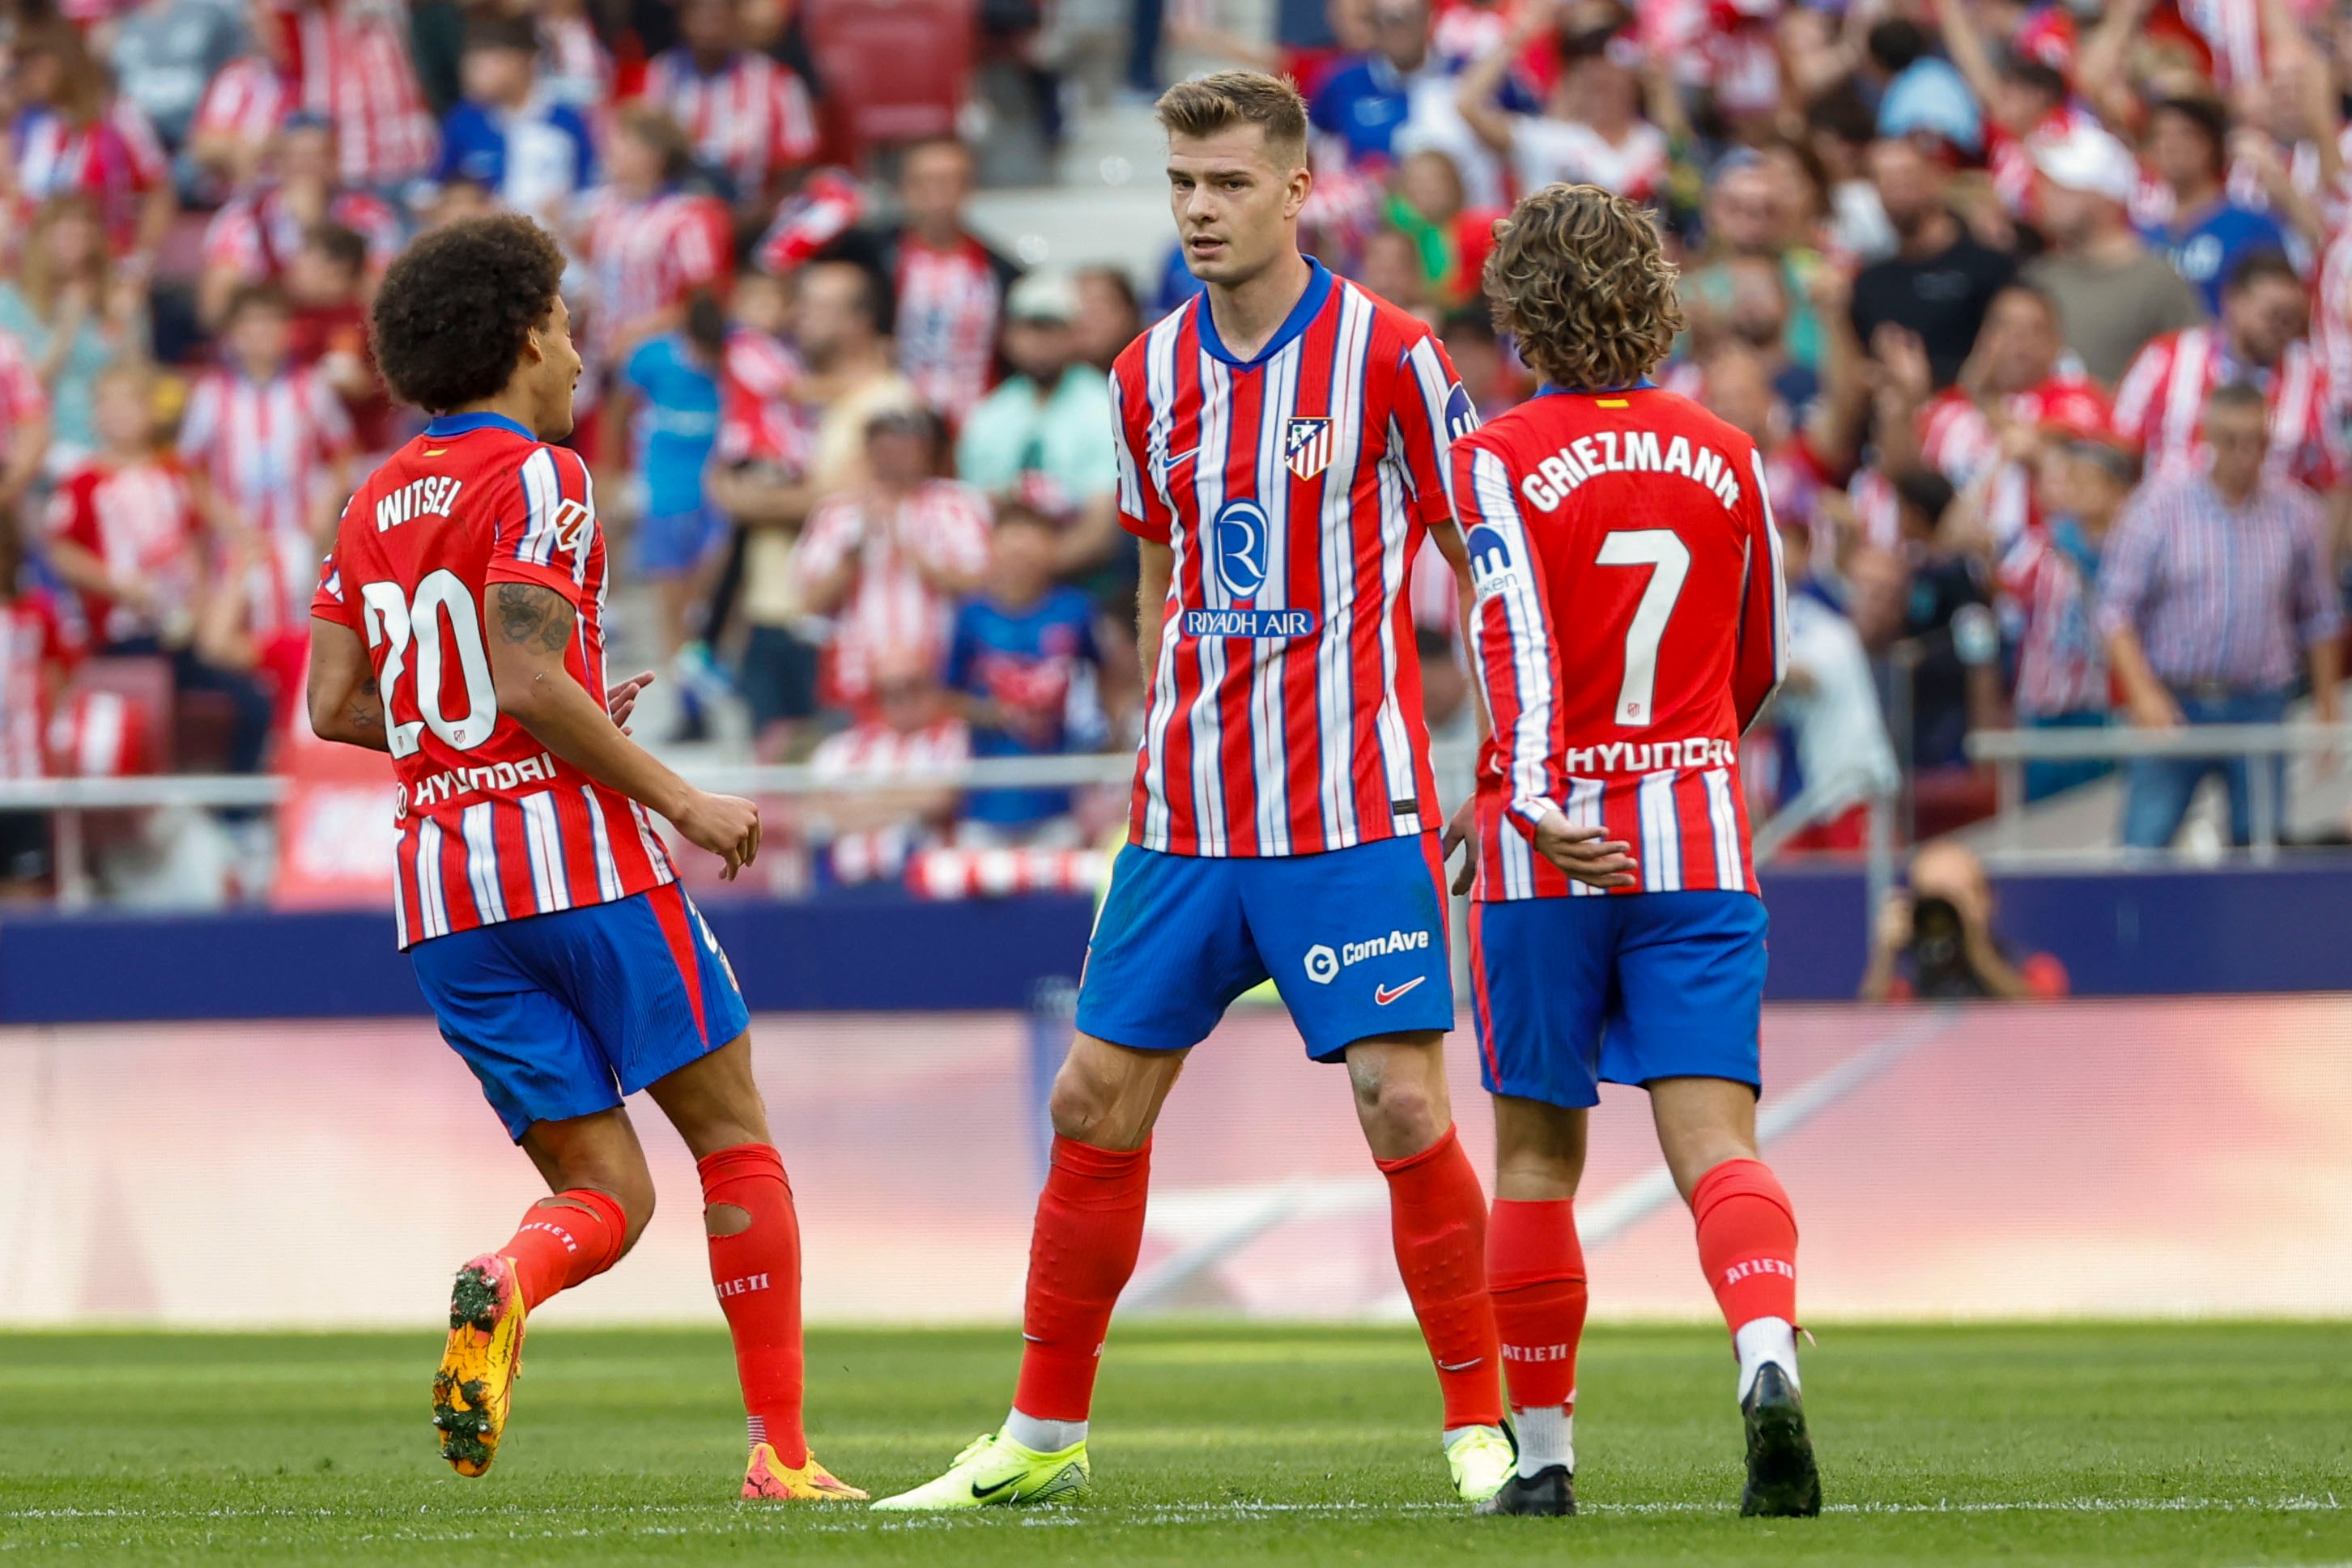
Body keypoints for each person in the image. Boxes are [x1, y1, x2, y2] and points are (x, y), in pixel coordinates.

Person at [874, 69, 1510, 1513]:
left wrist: (1496, 755)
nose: (1201, 210)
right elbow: (1163, 562)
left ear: (1297, 190)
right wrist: (1156, 724)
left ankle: (1486, 1428)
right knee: (1093, 1098)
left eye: (1228, 183)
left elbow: (1485, 560)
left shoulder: (1392, 355)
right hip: (1183, 817)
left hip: (1348, 809)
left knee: (1402, 1107)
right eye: (1181, 184)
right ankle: (1040, 1437)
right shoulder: (1142, 372)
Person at [303, 213, 863, 1504]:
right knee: (732, 1138)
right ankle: (779, 1454)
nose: (572, 346)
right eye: (558, 321)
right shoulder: (544, 474)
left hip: (443, 890)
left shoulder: (371, 496)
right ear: (517, 336)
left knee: (605, 1191)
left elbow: (337, 704)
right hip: (580, 862)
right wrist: (679, 794)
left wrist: (551, 701)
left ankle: (507, 1277)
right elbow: (526, 673)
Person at [1446, 181, 1817, 1520]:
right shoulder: (1726, 452)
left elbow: (1516, 648)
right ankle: (1766, 1355)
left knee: (1540, 1154)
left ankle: (1543, 1460)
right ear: (1651, 302)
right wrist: (1690, 759)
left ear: (1521, 320)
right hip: (1701, 834)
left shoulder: (1493, 456)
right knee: (1718, 1137)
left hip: (1555, 852)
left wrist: (1537, 800)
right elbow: (1761, 651)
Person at [2098, 381, 2343, 849]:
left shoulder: (2297, 514)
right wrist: (2143, 694)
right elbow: (2115, 611)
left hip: (2260, 701)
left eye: (2257, 442)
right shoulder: (2157, 509)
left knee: (2261, 847)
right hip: (2177, 701)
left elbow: (2319, 616)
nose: (2244, 455)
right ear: (2209, 437)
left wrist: (2327, 708)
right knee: (2145, 842)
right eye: (2231, 440)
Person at [721, 259, 917, 756]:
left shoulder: (887, 401)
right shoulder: (784, 389)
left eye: (817, 306)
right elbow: (719, 477)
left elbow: (834, 503)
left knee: (830, 785)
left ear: (860, 321)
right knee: (772, 797)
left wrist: (753, 498)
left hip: (835, 628)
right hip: (767, 611)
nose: (797, 315)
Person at [46, 361, 277, 775]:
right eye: (108, 403)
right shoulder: (82, 482)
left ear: (150, 412)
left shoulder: (174, 476)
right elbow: (61, 552)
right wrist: (118, 585)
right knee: (153, 708)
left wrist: (202, 606)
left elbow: (195, 546)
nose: (118, 414)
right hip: (119, 639)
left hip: (180, 634)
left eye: (128, 403)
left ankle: (235, 811)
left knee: (252, 702)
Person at [177, 283, 355, 632]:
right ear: (233, 334)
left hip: (298, 534)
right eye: (250, 324)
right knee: (225, 636)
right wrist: (225, 519)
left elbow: (343, 454)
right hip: (236, 538)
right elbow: (190, 470)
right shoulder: (211, 394)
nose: (260, 333)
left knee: (305, 628)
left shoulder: (311, 388)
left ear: (287, 332)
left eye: (270, 323)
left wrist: (324, 507)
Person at [795, 407, 991, 713]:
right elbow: (810, 602)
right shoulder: (837, 512)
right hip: (857, 678)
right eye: (884, 448)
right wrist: (857, 550)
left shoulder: (957, 504)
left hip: (942, 675)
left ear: (925, 451)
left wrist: (907, 545)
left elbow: (984, 585)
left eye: (904, 447)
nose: (893, 458)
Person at [820, 138, 1023, 425]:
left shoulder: (1000, 271)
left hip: (975, 421)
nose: (937, 194)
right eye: (925, 182)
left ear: (969, 188)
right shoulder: (869, 255)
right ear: (904, 188)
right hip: (889, 423)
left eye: (950, 181)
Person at [945, 501, 1111, 845]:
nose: (1020, 562)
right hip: (986, 799)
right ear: (993, 552)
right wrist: (989, 713)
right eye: (1011, 550)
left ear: (1050, 551)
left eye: (1030, 550)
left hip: (1060, 798)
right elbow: (944, 696)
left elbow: (1107, 683)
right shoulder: (971, 616)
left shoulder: (1077, 611)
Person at [2112, 249, 2342, 491]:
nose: (2281, 329)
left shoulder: (2314, 381)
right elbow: (2118, 445)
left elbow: (2334, 479)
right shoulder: (2164, 359)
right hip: (2168, 519)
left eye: (2291, 320)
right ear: (2233, 300)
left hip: (2270, 522)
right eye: (2273, 316)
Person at [1993, 436, 2137, 800]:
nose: (2076, 493)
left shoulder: (2130, 555)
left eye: (2087, 483)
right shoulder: (2044, 547)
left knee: (2096, 809)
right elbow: (2002, 586)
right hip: (2044, 709)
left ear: (2117, 492)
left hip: (2099, 709)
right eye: (2073, 482)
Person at [954, 272, 1121, 575]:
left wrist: (1028, 577)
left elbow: (1101, 528)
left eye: (1052, 329)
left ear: (1074, 334)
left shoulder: (1104, 406)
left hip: (1083, 578)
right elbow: (974, 514)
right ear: (1008, 336)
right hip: (1000, 580)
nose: (1040, 342)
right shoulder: (989, 414)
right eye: (1030, 328)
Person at [2019, 123, 2206, 387]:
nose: (2044, 194)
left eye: (2062, 185)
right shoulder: (2037, 275)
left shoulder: (2157, 281)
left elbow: (2190, 373)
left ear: (2105, 196)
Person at [197, 113, 403, 330]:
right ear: (281, 163)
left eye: (318, 156)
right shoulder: (242, 219)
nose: (307, 167)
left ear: (335, 162)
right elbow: (214, 310)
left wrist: (314, 223)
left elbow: (382, 301)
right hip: (277, 348)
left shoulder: (370, 217)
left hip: (346, 339)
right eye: (298, 156)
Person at [1849, 136, 2017, 389]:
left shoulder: (1989, 266)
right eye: (1885, 179)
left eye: (1906, 174)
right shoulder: (1869, 283)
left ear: (1934, 176)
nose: (1897, 187)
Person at [0, 196, 148, 475]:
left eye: (82, 235)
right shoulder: (9, 301)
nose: (73, 245)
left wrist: (128, 324)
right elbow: (22, 387)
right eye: (63, 234)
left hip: (110, 443)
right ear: (39, 240)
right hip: (43, 446)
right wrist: (66, 328)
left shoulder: (115, 298)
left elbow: (136, 380)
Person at [640, 0, 819, 227]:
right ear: (683, 19)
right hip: (670, 222)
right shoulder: (660, 77)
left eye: (718, 15)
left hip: (749, 224)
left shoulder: (777, 84)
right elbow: (641, 154)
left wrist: (757, 217)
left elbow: (795, 172)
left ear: (736, 19)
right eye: (699, 14)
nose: (709, 25)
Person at [434, 13, 598, 227]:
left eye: (486, 62)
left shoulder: (567, 119)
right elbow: (430, 193)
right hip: (484, 246)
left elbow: (591, 191)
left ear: (523, 61)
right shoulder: (462, 121)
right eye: (470, 63)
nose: (473, 73)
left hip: (557, 243)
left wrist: (569, 211)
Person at [1858, 839, 2069, 999]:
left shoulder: (2035, 969)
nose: (1947, 912)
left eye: (1957, 896)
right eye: (1935, 899)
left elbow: (2044, 1024)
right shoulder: (1904, 985)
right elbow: (1869, 1040)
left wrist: (1981, 957)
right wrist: (1884, 958)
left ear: (1987, 899)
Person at [2141, 94, 2293, 315]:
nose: (2170, 145)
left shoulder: (2252, 225)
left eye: (2185, 134)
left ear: (2211, 144)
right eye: (2160, 136)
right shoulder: (2143, 236)